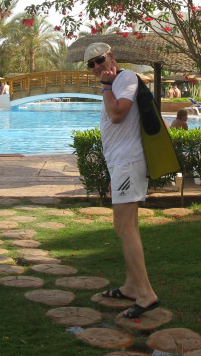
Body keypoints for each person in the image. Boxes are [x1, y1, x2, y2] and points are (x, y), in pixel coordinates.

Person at [85, 42, 160, 320]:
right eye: (91, 64)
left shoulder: (126, 78)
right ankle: (131, 286)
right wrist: (113, 175)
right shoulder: (114, 84)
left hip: (128, 163)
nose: (97, 67)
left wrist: (106, 87)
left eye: (100, 60)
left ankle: (146, 294)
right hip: (121, 166)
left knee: (125, 227)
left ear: (111, 57)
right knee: (124, 226)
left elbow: (118, 114)